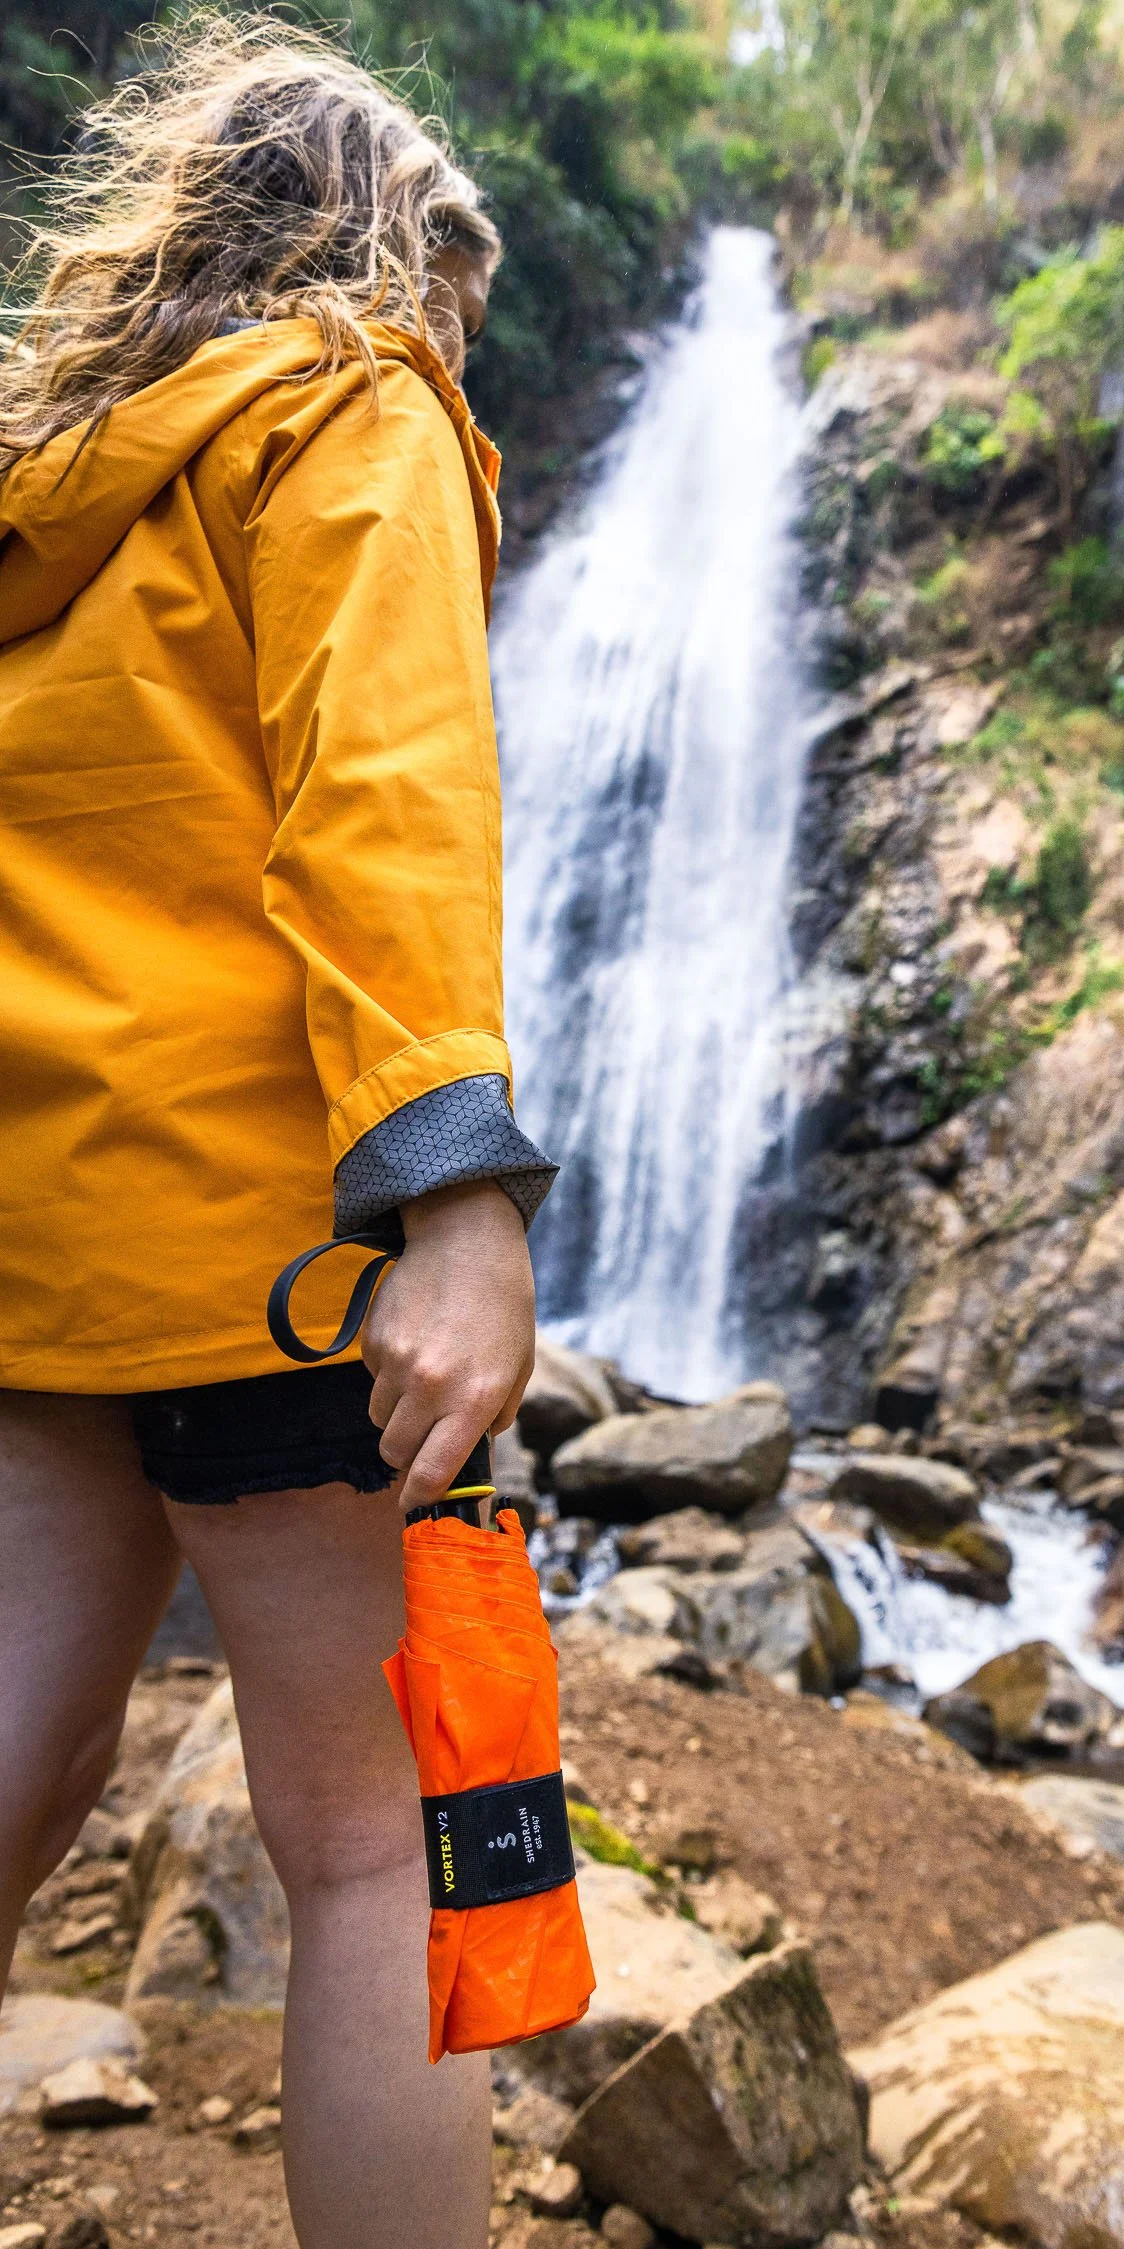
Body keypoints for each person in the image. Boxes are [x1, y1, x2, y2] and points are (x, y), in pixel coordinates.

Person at [0, 19, 553, 2247]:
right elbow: (385, 800)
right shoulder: (355, 404)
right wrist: (459, 1197)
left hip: (43, 1252)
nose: (454, 346)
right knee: (377, 1849)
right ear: (383, 250)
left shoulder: (55, 512)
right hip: (277, 1250)